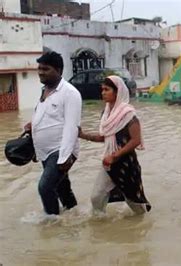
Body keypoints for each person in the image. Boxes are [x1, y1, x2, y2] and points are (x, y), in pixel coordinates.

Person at [78, 76, 151, 214]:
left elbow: (136, 140)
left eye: (107, 89)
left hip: (126, 163)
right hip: (109, 162)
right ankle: (100, 225)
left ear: (117, 92)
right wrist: (82, 135)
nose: (103, 93)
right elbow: (103, 137)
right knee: (96, 197)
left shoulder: (128, 114)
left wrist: (115, 155)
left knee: (133, 201)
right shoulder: (106, 114)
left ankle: (142, 227)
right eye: (102, 90)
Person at [24, 51, 81, 215]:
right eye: (39, 68)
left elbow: (72, 127)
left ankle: (52, 223)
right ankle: (74, 214)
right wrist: (32, 127)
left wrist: (64, 157)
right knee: (62, 188)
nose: (41, 72)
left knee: (45, 187)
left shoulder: (70, 93)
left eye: (46, 69)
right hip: (45, 151)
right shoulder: (44, 91)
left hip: (61, 150)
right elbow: (43, 116)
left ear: (59, 70)